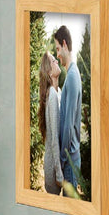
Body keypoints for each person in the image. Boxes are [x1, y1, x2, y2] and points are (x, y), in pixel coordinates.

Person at [55, 25, 81, 189]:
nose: (57, 54)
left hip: (69, 163)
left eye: (58, 48)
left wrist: (62, 160)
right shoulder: (72, 73)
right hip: (70, 161)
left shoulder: (72, 76)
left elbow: (69, 126)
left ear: (64, 44)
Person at [38, 51, 64, 195]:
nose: (57, 62)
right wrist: (59, 173)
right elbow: (54, 138)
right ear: (49, 72)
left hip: (56, 163)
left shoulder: (58, 91)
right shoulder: (52, 95)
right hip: (53, 169)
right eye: (54, 61)